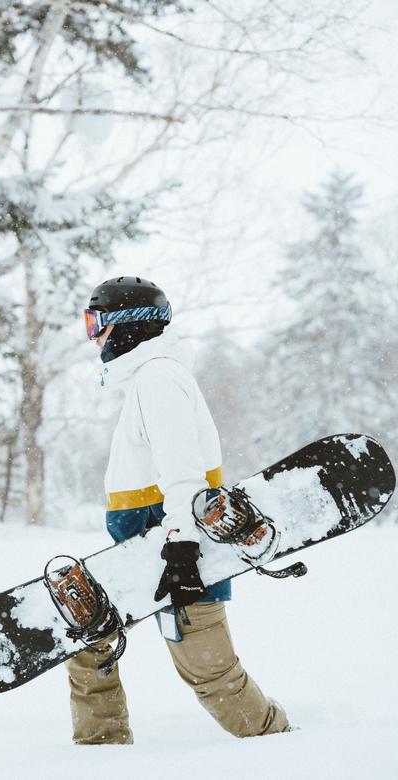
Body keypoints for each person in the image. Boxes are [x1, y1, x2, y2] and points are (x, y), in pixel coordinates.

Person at [65, 276, 289, 745]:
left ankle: (279, 745)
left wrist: (182, 548)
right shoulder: (149, 379)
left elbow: (182, 471)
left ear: (128, 325)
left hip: (170, 550)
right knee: (85, 634)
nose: (94, 337)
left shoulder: (159, 379)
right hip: (142, 546)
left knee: (211, 674)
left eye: (97, 323)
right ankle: (99, 752)